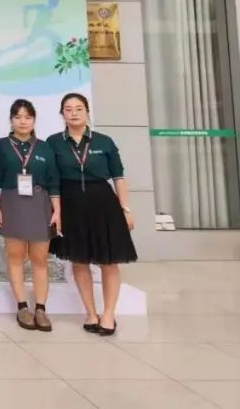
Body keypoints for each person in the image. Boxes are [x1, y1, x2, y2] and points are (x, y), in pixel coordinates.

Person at [48, 93, 137, 336]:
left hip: (103, 204)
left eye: (79, 108)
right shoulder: (53, 143)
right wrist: (56, 211)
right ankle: (90, 312)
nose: (74, 113)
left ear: (87, 112)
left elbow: (118, 177)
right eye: (68, 109)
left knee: (109, 260)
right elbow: (52, 180)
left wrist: (126, 209)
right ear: (62, 114)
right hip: (71, 205)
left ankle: (108, 314)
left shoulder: (104, 142)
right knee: (79, 260)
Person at [0, 99, 61, 332]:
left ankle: (40, 308)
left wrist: (57, 210)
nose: (23, 121)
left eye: (28, 117)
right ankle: (22, 307)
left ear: (34, 120)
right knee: (15, 256)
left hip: (40, 204)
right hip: (11, 202)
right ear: (11, 120)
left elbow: (53, 181)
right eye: (18, 117)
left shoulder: (45, 148)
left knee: (40, 258)